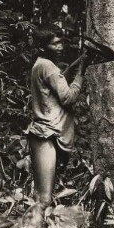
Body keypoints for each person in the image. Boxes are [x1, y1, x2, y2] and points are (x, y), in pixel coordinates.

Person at [28, 24, 91, 205]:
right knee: (44, 198)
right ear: (42, 47)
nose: (60, 48)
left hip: (51, 135)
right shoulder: (47, 66)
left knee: (47, 195)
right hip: (45, 135)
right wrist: (81, 72)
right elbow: (68, 98)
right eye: (55, 44)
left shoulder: (41, 65)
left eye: (61, 43)